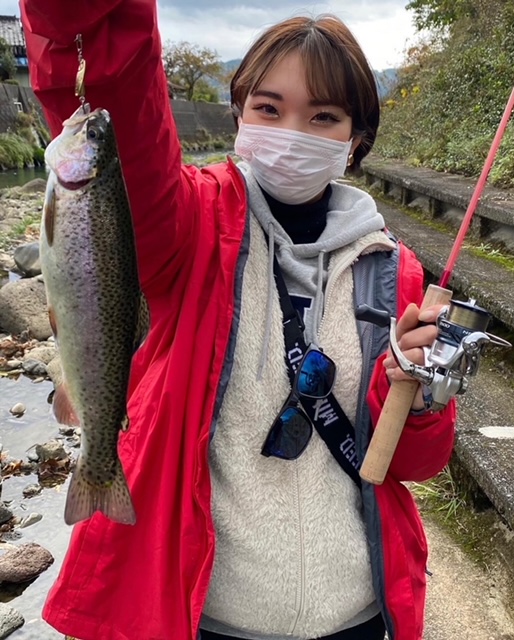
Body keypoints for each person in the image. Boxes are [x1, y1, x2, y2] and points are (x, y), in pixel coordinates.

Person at [20, 2, 456, 640]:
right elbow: (117, 96)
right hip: (214, 616)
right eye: (269, 109)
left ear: (356, 140)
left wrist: (420, 400)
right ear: (239, 116)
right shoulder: (190, 227)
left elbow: (413, 463)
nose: (293, 132)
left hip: (358, 614)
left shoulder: (396, 274)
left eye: (324, 117)